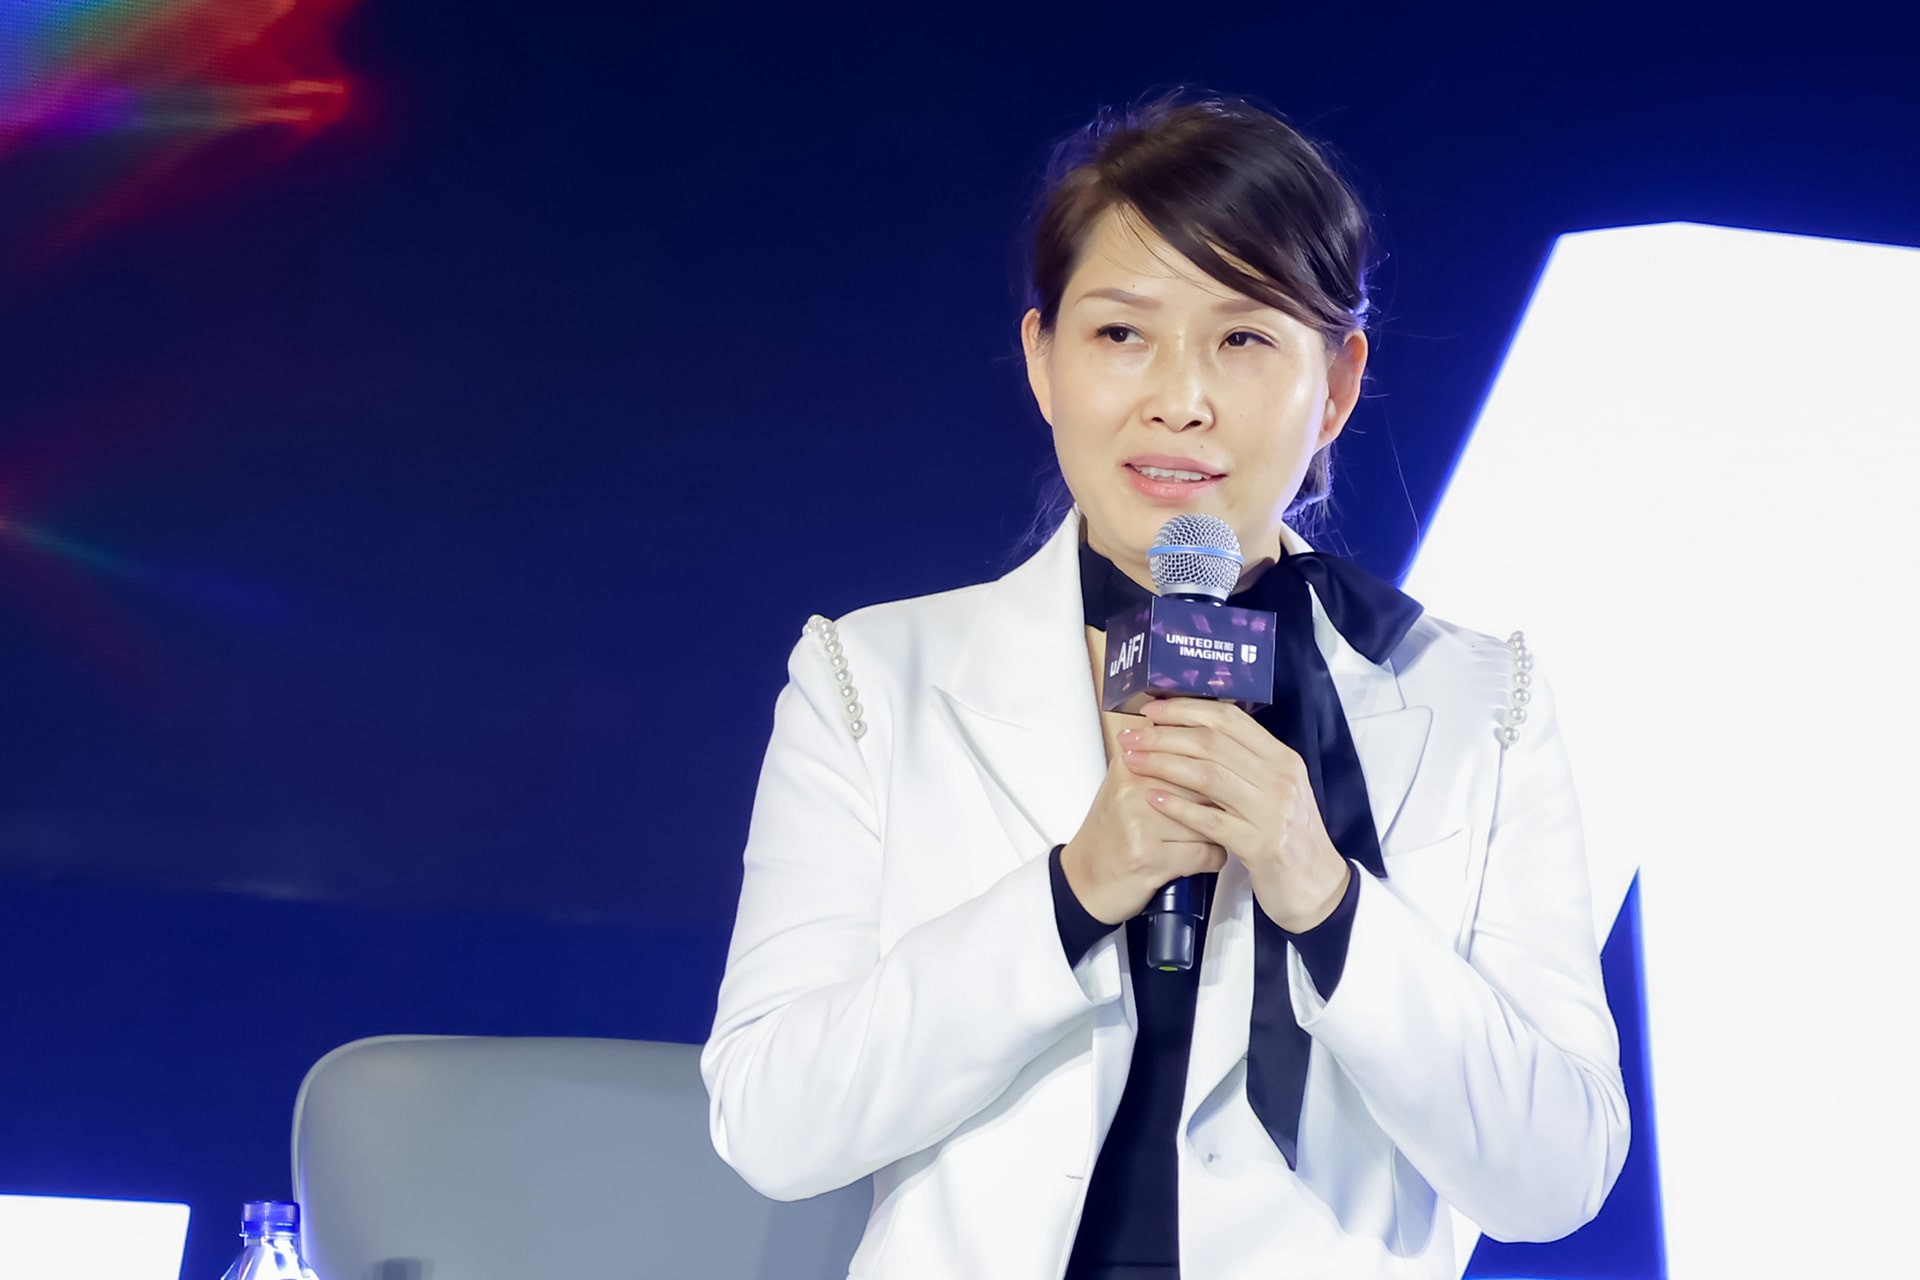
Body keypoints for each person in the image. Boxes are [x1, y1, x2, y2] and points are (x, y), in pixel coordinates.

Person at [700, 94, 1628, 1280]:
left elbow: (1555, 1174)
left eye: (1243, 340)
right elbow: (773, 1125)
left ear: (1337, 384)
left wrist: (1322, 888)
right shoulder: (871, 680)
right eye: (1121, 333)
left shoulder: (1476, 703)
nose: (1179, 397)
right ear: (1043, 360)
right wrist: (1077, 888)